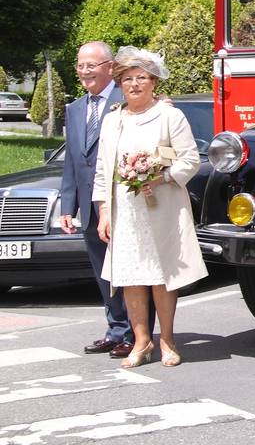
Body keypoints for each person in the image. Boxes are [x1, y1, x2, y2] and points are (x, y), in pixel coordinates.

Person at [92, 46, 207, 368]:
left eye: (141, 78)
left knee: (160, 275)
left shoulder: (169, 116)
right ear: (119, 84)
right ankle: (141, 342)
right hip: (125, 210)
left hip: (162, 208)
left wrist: (161, 176)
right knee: (131, 276)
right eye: (127, 79)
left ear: (153, 81)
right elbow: (103, 169)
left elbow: (190, 160)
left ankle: (167, 340)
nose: (134, 84)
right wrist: (103, 211)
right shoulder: (113, 121)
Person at [60, 42, 134, 358]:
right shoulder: (75, 109)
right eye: (80, 66)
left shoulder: (127, 100)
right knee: (104, 274)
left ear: (109, 67)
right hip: (90, 210)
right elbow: (72, 162)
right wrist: (68, 206)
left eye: (91, 65)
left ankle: (136, 332)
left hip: (120, 203)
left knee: (129, 271)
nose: (85, 71)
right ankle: (115, 330)